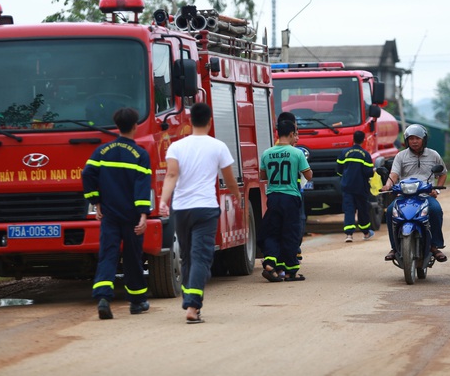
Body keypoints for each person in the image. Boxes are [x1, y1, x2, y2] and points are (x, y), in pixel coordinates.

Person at [159, 103, 241, 324]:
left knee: (187, 257)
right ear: (210, 121)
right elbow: (229, 178)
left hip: (182, 209)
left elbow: (171, 176)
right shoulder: (218, 146)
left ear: (190, 121)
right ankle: (193, 306)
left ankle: (189, 297)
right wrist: (237, 195)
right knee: (201, 257)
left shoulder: (176, 146)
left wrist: (163, 201)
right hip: (205, 208)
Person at [82, 107, 151, 319]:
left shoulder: (101, 151)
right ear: (135, 126)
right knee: (132, 257)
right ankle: (137, 302)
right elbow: (142, 185)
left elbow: (87, 174)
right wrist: (143, 214)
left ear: (117, 126)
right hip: (131, 217)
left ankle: (103, 298)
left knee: (108, 256)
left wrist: (96, 202)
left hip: (109, 215)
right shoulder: (140, 154)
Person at [381, 124, 448, 262]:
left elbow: (443, 173)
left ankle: (434, 246)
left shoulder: (433, 155)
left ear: (424, 139)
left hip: (425, 195)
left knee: (436, 210)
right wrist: (387, 185)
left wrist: (436, 190)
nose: (414, 141)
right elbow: (394, 174)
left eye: (417, 138)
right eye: (411, 139)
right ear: (407, 141)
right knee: (389, 211)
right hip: (404, 195)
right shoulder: (401, 156)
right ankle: (394, 247)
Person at [259, 120, 313, 282]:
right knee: (290, 233)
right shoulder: (296, 153)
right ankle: (290, 271)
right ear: (291, 134)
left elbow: (263, 176)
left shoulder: (267, 153)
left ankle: (270, 263)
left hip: (273, 197)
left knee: (272, 231)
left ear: (277, 133)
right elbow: (308, 175)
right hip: (290, 197)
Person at [336, 130, 375, 242]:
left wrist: (344, 178)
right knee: (362, 210)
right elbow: (368, 172)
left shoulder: (344, 153)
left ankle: (349, 235)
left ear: (353, 139)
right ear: (363, 140)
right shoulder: (365, 155)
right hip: (361, 188)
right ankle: (366, 233)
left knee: (349, 209)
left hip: (347, 187)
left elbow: (339, 170)